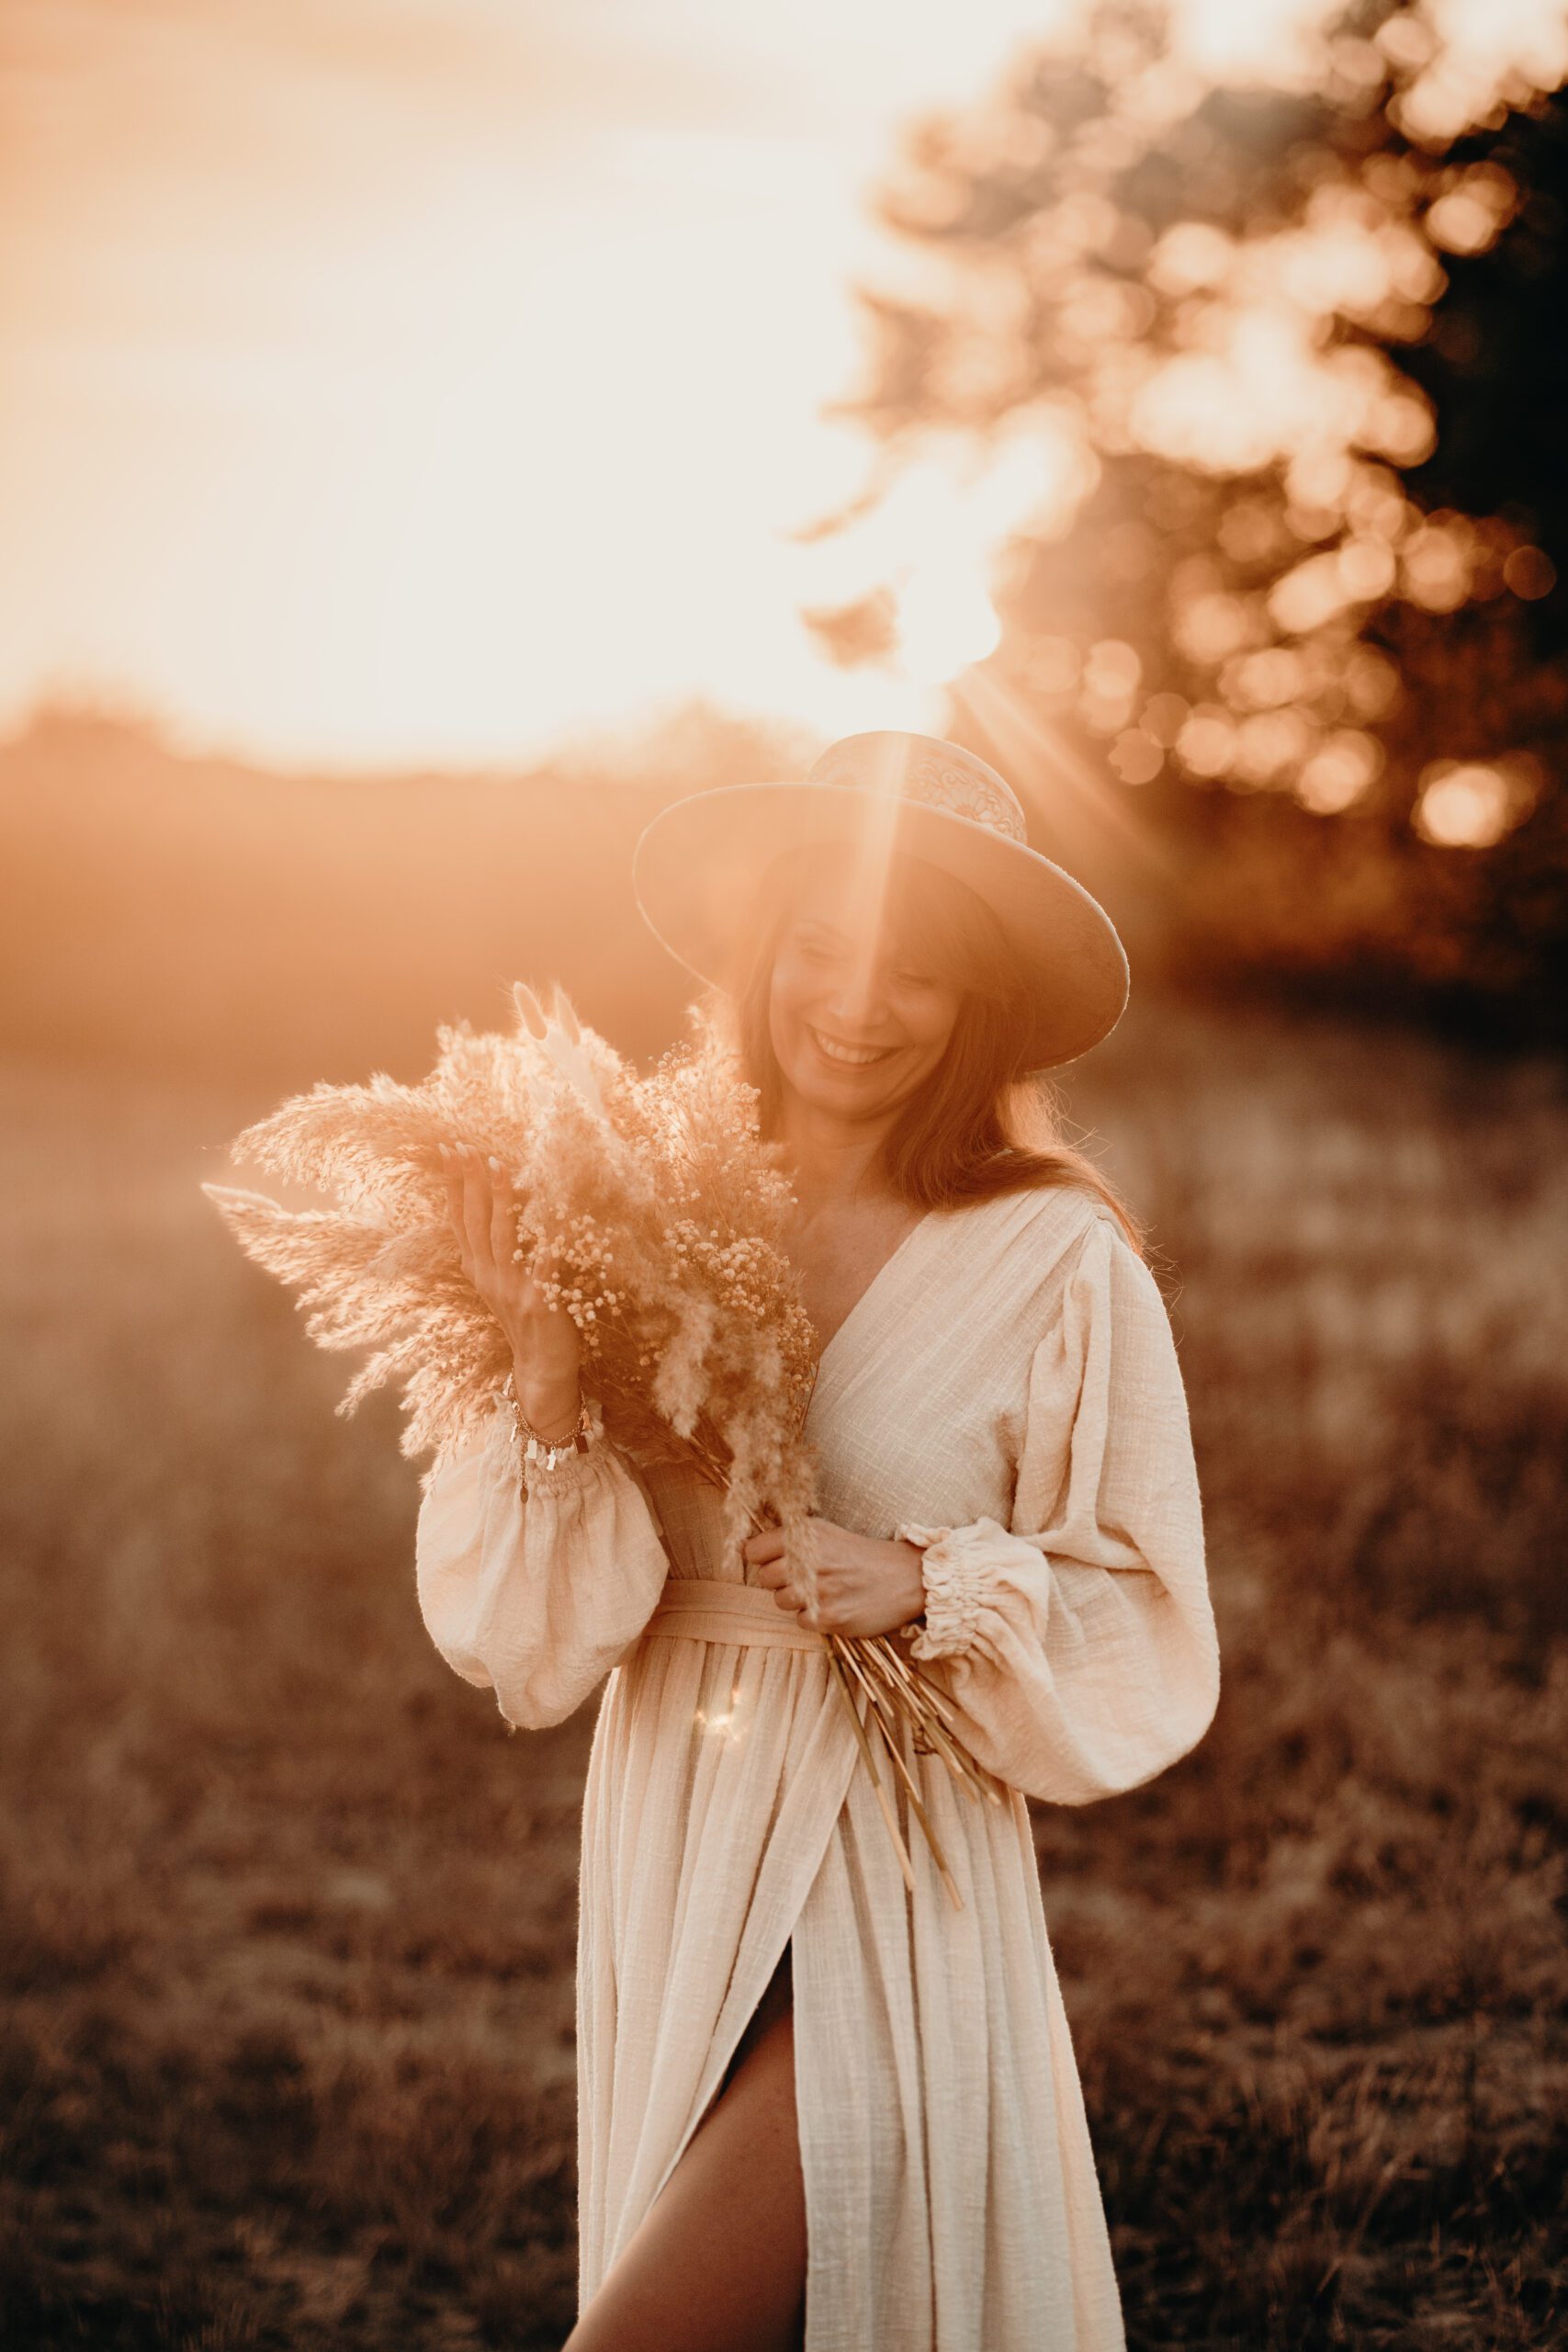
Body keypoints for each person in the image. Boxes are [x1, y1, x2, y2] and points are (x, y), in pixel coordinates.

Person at [416, 730, 1221, 2351]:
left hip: (885, 1849)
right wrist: (553, 1375)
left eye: (914, 972)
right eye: (821, 950)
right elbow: (524, 1645)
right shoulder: (641, 1205)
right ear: (760, 958)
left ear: (974, 1004)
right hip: (677, 1809)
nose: (856, 1004)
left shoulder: (1054, 1251)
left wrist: (930, 1583)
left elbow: (1145, 1608)